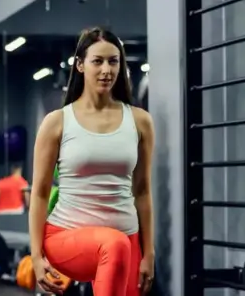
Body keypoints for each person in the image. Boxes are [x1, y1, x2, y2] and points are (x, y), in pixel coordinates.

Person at [28, 27, 155, 296]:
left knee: (118, 244)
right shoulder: (57, 122)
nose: (106, 70)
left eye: (113, 61)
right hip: (67, 236)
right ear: (80, 65)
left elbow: (142, 191)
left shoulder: (140, 121)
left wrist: (148, 252)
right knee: (114, 243)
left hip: (127, 239)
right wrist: (36, 256)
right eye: (98, 61)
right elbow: (39, 193)